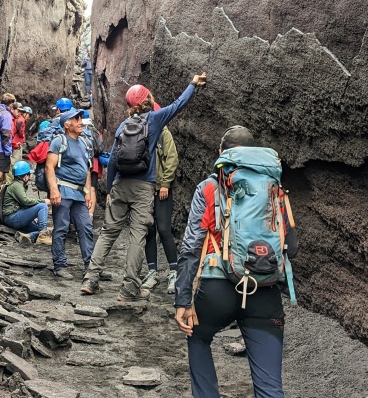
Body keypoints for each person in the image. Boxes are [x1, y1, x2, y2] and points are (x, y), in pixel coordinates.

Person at [174, 126, 297, 398]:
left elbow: (192, 245)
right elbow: (292, 247)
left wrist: (183, 300)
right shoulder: (274, 188)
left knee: (198, 337)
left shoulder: (209, 187)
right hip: (265, 290)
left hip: (217, 288)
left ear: (222, 154)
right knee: (270, 388)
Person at [81, 71, 207, 301]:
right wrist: (192, 83)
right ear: (148, 101)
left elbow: (115, 161)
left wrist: (109, 190)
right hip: (143, 187)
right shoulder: (154, 120)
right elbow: (178, 105)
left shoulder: (123, 126)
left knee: (108, 233)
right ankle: (129, 289)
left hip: (119, 184)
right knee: (137, 235)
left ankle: (90, 279)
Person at [45, 108, 97, 278]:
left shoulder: (84, 143)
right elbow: (49, 167)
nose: (81, 121)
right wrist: (54, 190)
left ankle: (91, 266)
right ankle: (59, 265)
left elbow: (87, 169)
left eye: (81, 118)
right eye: (76, 119)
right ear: (67, 125)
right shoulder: (59, 141)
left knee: (86, 227)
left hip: (79, 193)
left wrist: (88, 191)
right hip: (63, 190)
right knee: (61, 227)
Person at [142, 125, 179, 294]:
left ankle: (174, 272)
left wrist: (165, 183)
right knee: (149, 230)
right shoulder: (140, 132)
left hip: (161, 189)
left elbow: (172, 158)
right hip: (144, 189)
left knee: (164, 229)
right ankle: (152, 272)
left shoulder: (164, 133)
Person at [1, 161, 52, 245]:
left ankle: (27, 236)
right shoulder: (16, 186)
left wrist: (32, 216)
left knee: (37, 228)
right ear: (25, 176)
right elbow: (25, 201)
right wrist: (43, 201)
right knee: (42, 206)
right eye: (28, 175)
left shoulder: (17, 185)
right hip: (12, 218)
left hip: (14, 216)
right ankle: (43, 235)